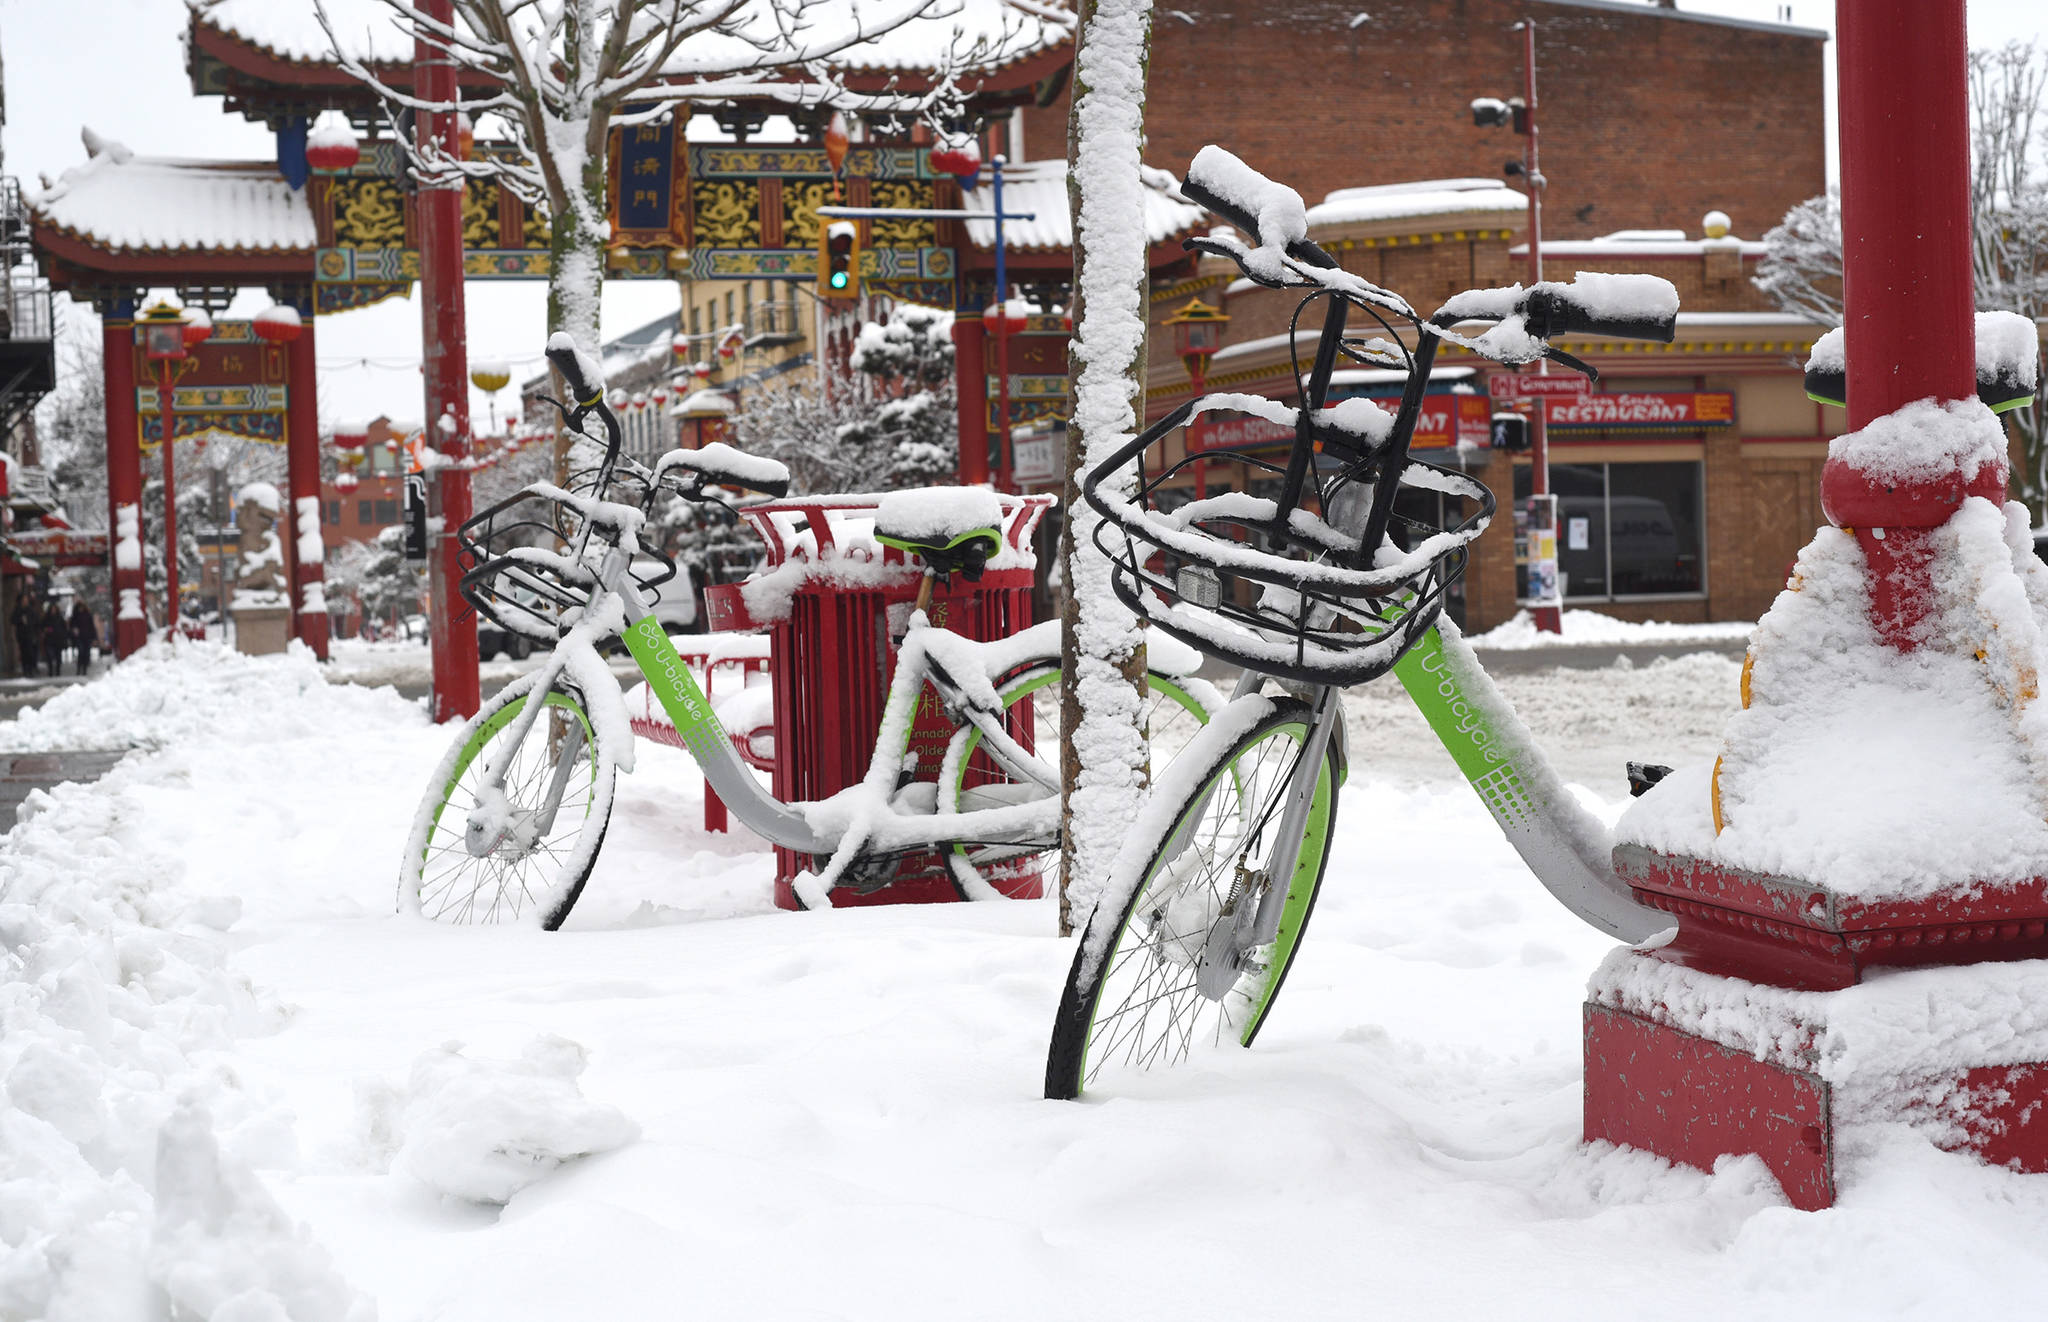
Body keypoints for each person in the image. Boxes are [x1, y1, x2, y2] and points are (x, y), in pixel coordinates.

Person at [10, 593, 37, 677]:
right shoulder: (17, 610)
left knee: (30, 652)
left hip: (30, 634)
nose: (25, 601)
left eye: (26, 599)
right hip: (21, 635)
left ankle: (30, 669)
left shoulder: (30, 610)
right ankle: (25, 670)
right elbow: (13, 621)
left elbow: (35, 621)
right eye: (24, 599)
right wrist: (20, 621)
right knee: (24, 652)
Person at [69, 600, 97, 676]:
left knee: (86, 653)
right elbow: (71, 626)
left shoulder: (88, 615)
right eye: (79, 607)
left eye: (81, 607)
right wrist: (74, 630)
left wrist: (94, 637)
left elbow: (92, 627)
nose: (80, 609)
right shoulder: (75, 616)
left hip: (87, 637)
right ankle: (79, 669)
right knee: (81, 652)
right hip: (79, 637)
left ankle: (84, 669)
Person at [39, 599, 66, 679]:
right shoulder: (46, 618)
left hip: (58, 640)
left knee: (58, 657)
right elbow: (41, 627)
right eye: (52, 609)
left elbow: (64, 628)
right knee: (49, 656)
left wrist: (63, 635)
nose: (53, 610)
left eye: (54, 609)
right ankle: (50, 671)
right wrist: (45, 630)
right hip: (49, 640)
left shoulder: (60, 618)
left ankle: (57, 671)